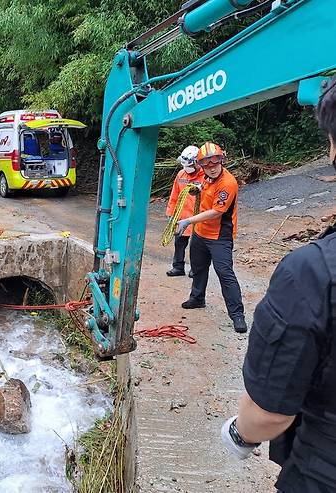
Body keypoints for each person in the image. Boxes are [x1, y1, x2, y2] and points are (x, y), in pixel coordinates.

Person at [221, 76, 336, 493]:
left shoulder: (311, 275)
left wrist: (240, 433)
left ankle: (235, 318)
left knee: (226, 278)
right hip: (194, 239)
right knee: (197, 278)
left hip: (320, 475)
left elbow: (267, 415)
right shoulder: (190, 180)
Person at [176, 142, 247, 333]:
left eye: (215, 165)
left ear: (221, 161)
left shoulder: (228, 183)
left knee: (225, 273)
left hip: (219, 236)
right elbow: (206, 188)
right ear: (201, 166)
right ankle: (197, 298)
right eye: (207, 166)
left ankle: (237, 315)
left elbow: (217, 211)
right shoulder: (206, 178)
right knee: (198, 268)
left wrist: (188, 220)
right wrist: (198, 188)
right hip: (200, 233)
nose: (212, 169)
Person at [166, 145, 203, 277]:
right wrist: (170, 214)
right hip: (181, 217)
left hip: (198, 218)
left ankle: (195, 269)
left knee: (196, 247)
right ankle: (178, 267)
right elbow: (174, 195)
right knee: (179, 243)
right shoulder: (181, 174)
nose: (188, 170)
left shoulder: (205, 177)